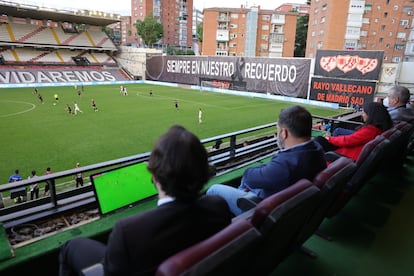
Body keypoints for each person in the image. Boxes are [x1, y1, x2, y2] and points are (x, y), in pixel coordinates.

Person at [58, 125, 232, 276]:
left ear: (155, 176)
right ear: (204, 172)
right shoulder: (218, 206)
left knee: (70, 247)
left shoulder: (127, 232)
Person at [207, 105, 327, 216]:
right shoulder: (317, 149)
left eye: (278, 130)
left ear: (284, 133)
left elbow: (249, 175)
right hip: (289, 206)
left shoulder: (286, 164)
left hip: (269, 211)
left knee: (214, 189)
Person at [314, 101, 392, 161]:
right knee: (320, 140)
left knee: (319, 140)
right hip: (350, 155)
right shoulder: (378, 130)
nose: (362, 115)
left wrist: (330, 139)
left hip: (346, 157)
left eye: (364, 112)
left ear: (371, 115)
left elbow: (347, 141)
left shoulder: (371, 131)